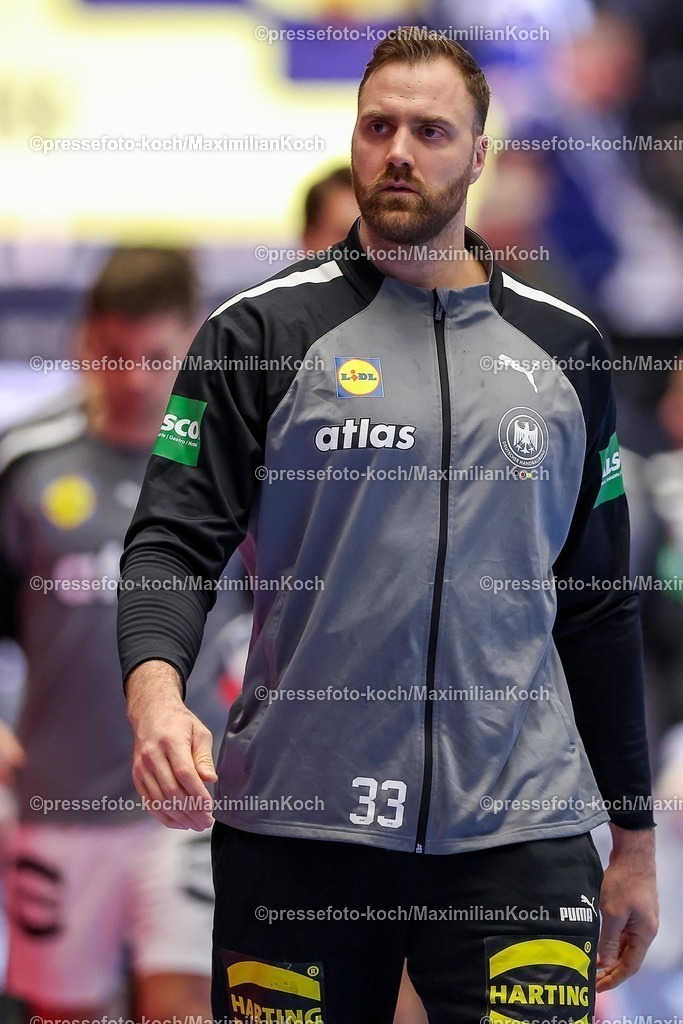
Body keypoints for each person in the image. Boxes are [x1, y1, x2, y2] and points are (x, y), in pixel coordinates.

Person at [118, 29, 658, 1024]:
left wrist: (631, 839)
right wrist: (155, 698)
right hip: (297, 825)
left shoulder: (563, 348)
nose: (397, 149)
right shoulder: (258, 335)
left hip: (516, 834)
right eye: (376, 127)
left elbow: (596, 608)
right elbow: (169, 541)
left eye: (428, 129)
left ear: (479, 155)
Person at [0, 247, 246, 1021]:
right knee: (60, 1011)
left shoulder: (234, 466)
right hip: (55, 803)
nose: (135, 378)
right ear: (83, 342)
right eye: (114, 353)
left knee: (181, 1008)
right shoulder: (26, 466)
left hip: (189, 805)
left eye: (156, 356)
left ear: (192, 344)